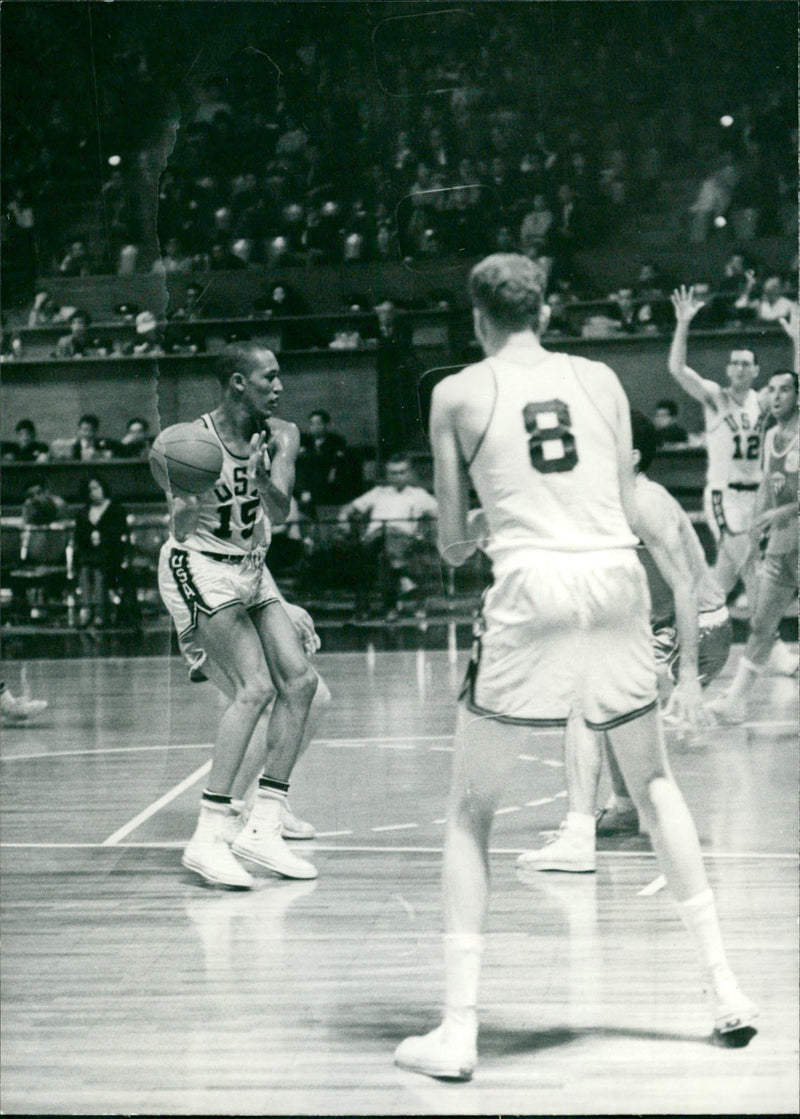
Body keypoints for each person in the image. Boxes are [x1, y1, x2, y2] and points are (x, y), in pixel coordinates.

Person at [394, 254, 757, 1081]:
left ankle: (457, 1031)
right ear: (546, 311)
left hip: (534, 584)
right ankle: (726, 989)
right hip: (617, 577)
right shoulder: (598, 379)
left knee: (468, 810)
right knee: (657, 784)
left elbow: (453, 543)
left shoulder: (454, 392)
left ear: (476, 317)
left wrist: (498, 518)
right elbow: (615, 493)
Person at [518, 411, 729, 864]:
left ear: (632, 456)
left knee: (588, 702)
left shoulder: (645, 502)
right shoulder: (615, 498)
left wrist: (688, 674)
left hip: (696, 625)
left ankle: (579, 836)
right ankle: (628, 808)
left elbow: (686, 586)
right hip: (658, 625)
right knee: (607, 705)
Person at [157, 342, 319, 889]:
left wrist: (264, 470)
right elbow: (181, 532)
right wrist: (180, 507)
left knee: (301, 681)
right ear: (236, 383)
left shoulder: (284, 433)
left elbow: (280, 508)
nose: (279, 386)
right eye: (268, 378)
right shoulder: (188, 443)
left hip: (251, 565)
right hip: (199, 564)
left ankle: (263, 826)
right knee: (254, 689)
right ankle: (208, 834)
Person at [668, 285, 795, 674]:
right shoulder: (714, 396)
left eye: (746, 364)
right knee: (756, 575)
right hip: (724, 497)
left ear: (756, 371)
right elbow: (677, 370)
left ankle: (674, 638)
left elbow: (795, 384)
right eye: (734, 363)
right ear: (727, 370)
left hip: (757, 497)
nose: (739, 369)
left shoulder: (763, 400)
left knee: (716, 585)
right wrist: (683, 324)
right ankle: (773, 652)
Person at [709, 369, 799, 722]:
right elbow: (765, 486)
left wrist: (782, 511)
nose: (776, 396)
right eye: (772, 390)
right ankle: (735, 703)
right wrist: (754, 529)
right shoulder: (772, 436)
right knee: (761, 623)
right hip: (782, 543)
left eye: (785, 390)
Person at [338, 453, 438, 619]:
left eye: (402, 472)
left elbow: (439, 513)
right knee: (378, 553)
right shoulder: (378, 492)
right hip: (374, 537)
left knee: (386, 547)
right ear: (387, 474)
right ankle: (401, 579)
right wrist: (343, 520)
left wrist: (426, 530)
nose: (397, 477)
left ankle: (378, 607)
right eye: (393, 473)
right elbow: (350, 508)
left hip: (402, 537)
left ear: (409, 473)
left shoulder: (419, 495)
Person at [73, 477, 128, 628]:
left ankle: (99, 613)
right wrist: (90, 538)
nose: (93, 492)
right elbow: (79, 535)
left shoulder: (116, 509)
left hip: (111, 553)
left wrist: (102, 538)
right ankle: (87, 610)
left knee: (98, 571)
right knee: (84, 569)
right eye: (90, 489)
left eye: (96, 488)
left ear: (103, 488)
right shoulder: (83, 512)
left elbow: (120, 534)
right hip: (89, 553)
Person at [295, 410, 350, 511]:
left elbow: (335, 463)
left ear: (327, 425)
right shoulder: (305, 442)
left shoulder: (336, 441)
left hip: (327, 485)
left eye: (318, 424)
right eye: (312, 424)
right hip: (307, 484)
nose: (315, 427)